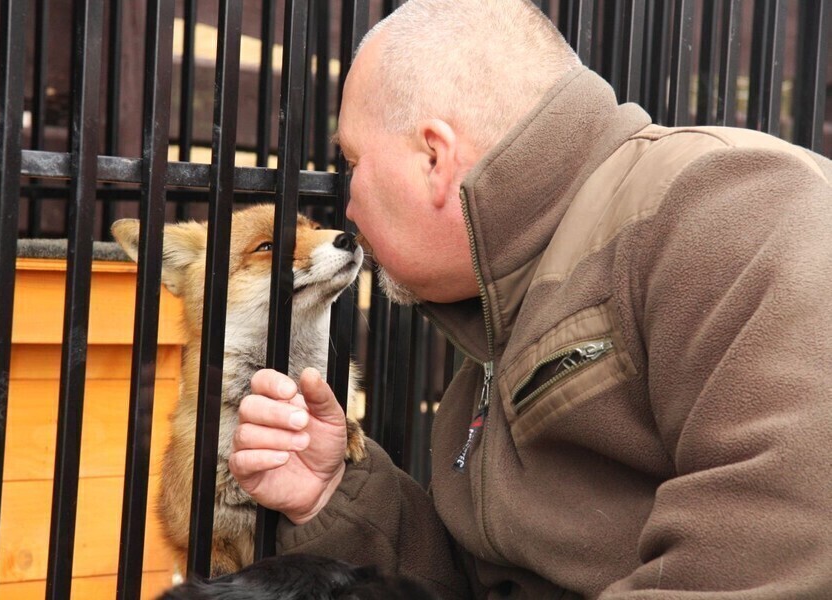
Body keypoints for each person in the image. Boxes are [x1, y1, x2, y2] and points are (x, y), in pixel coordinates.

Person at [228, 0, 832, 597]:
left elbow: (779, 544)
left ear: (435, 158)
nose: (349, 206)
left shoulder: (732, 208)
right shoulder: (501, 319)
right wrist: (334, 496)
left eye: (353, 162)